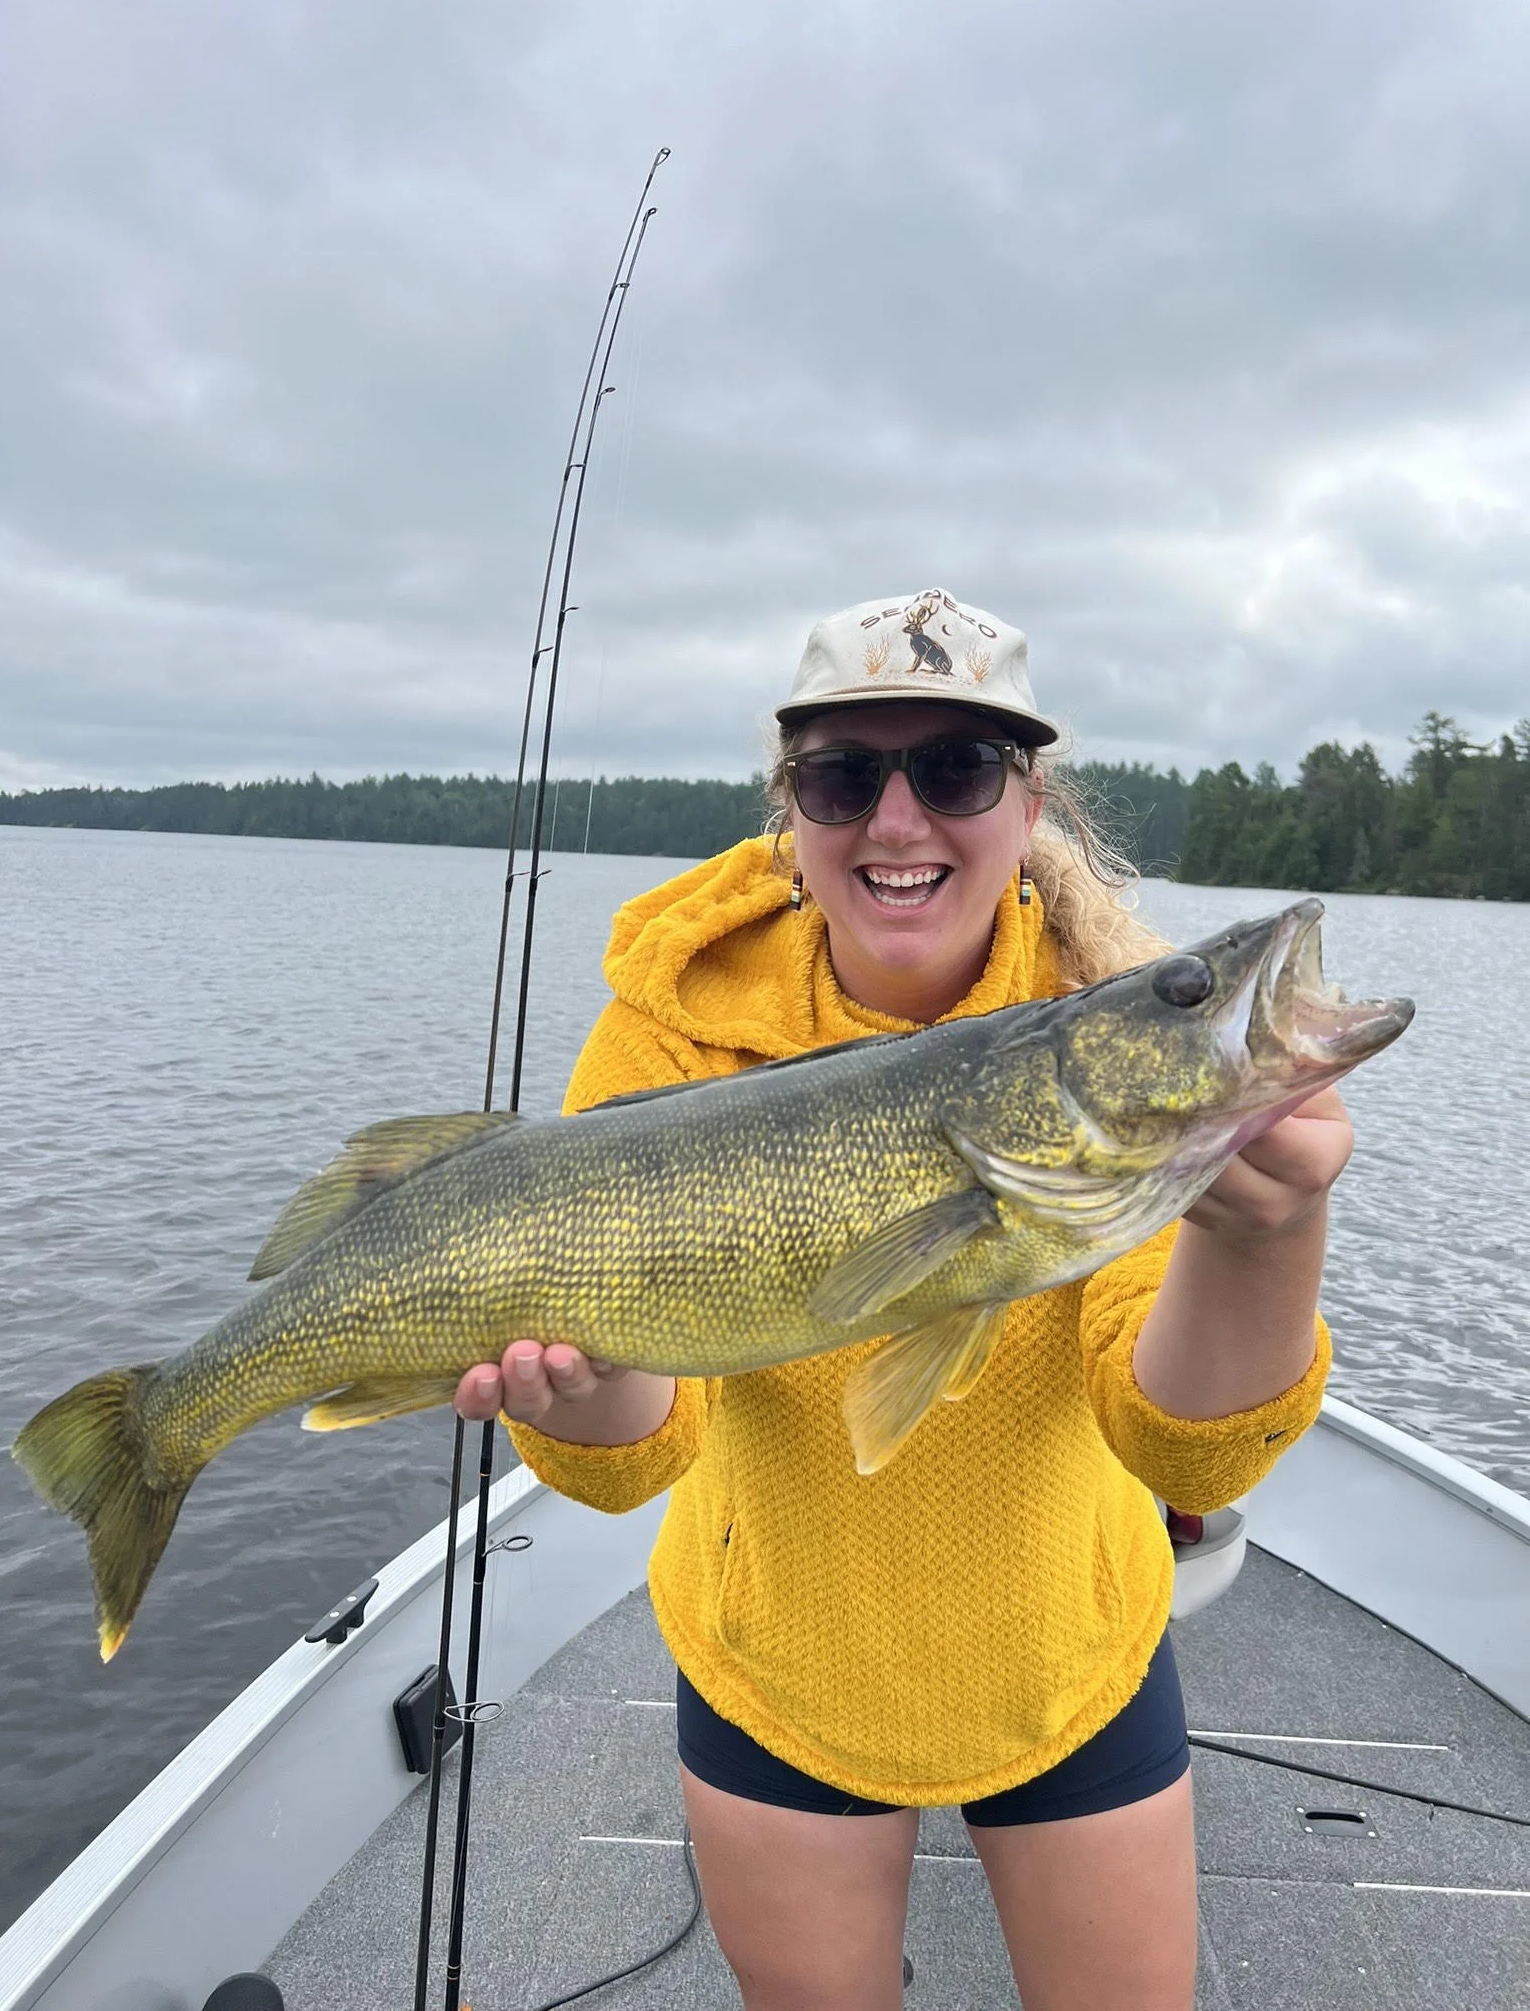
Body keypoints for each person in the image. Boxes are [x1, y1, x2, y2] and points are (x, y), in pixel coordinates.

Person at [453, 589, 1351, 2011]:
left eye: (954, 768)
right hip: (780, 1666)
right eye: (841, 773)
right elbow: (639, 1460)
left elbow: (1189, 1453)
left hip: (1070, 1656)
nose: (896, 818)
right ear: (788, 805)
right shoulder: (667, 1028)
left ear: (1027, 800)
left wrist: (1268, 1234)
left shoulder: (1096, 1025)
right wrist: (587, 1382)